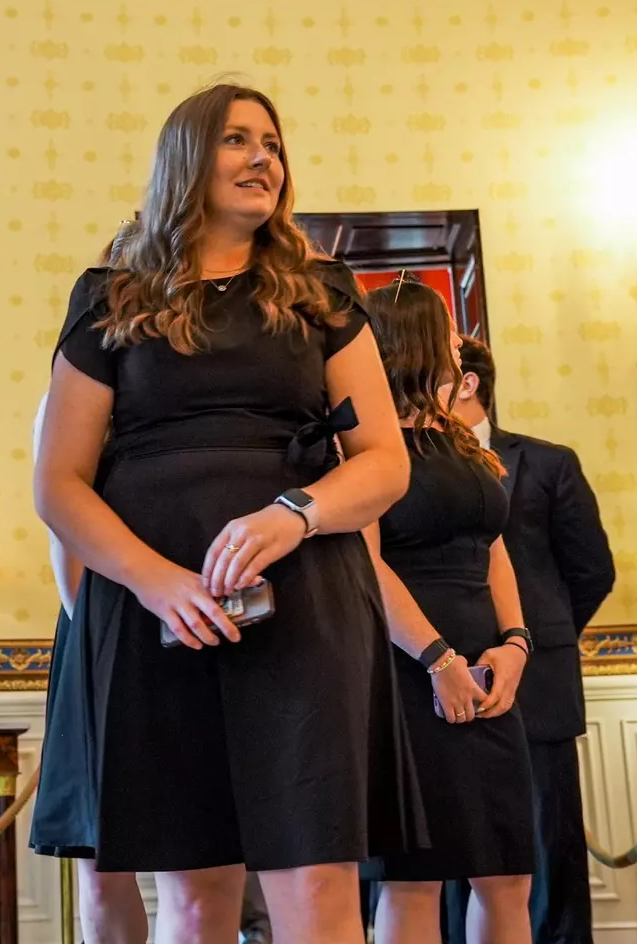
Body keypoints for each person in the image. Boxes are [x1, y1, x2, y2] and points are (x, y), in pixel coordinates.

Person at [32, 82, 422, 943]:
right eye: (238, 141)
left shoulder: (322, 293)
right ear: (186, 159)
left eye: (273, 146)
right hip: (155, 612)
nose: (263, 160)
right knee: (196, 894)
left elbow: (386, 465)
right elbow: (58, 482)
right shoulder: (110, 296)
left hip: (308, 601)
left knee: (316, 880)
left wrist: (294, 515)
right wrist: (160, 584)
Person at [361, 278, 535, 944]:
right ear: (418, 339)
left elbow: (493, 550)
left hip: (491, 671)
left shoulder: (464, 442)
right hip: (410, 671)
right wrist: (438, 659)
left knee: (507, 873)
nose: (462, 343)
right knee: (414, 879)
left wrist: (515, 644)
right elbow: (365, 564)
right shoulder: (365, 449)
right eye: (449, 329)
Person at [444, 336, 615, 944]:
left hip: (538, 684)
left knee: (549, 841)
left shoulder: (547, 463)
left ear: (468, 383)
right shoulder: (410, 462)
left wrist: (537, 639)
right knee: (451, 847)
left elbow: (592, 570)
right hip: (446, 675)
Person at [31, 390, 150, 944]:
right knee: (98, 852)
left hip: (185, 606)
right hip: (99, 620)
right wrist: (96, 638)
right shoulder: (69, 397)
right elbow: (65, 534)